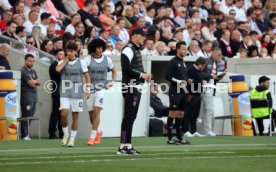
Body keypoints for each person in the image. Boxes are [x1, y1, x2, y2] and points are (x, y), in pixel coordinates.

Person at [117, 27, 152, 155]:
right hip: (131, 86)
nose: (144, 38)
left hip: (135, 86)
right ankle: (123, 146)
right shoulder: (128, 49)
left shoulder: (135, 49)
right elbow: (126, 69)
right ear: (135, 35)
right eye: (142, 36)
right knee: (129, 117)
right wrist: (142, 75)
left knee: (131, 117)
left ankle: (127, 145)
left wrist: (144, 75)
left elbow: (133, 68)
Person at [55, 42, 91, 147]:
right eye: (68, 51)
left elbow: (87, 77)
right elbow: (57, 69)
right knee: (63, 113)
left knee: (75, 116)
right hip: (65, 92)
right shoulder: (63, 61)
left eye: (71, 51)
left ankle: (72, 139)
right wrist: (65, 59)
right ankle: (66, 134)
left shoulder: (81, 62)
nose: (69, 53)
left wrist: (88, 89)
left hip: (77, 93)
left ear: (76, 51)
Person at [85, 38, 117, 145]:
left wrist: (112, 81)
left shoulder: (107, 60)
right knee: (91, 114)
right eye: (97, 47)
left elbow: (114, 70)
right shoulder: (88, 59)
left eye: (101, 47)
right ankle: (98, 132)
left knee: (97, 111)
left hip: (101, 88)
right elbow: (83, 73)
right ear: (93, 48)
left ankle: (92, 136)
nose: (99, 49)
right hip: (90, 88)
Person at [165, 41, 191, 145]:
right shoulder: (173, 61)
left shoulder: (183, 62)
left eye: (186, 49)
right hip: (175, 91)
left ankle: (180, 137)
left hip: (183, 91)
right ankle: (170, 138)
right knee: (173, 113)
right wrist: (178, 81)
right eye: (183, 49)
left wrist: (187, 80)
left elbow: (182, 77)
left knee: (181, 114)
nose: (185, 51)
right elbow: (167, 76)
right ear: (178, 49)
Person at [198, 47, 223, 137]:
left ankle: (203, 130)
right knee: (209, 110)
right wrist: (211, 76)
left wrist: (217, 78)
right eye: (218, 55)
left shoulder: (215, 63)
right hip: (206, 89)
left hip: (211, 88)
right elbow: (200, 73)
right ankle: (207, 130)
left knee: (206, 110)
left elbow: (211, 78)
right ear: (213, 53)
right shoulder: (206, 61)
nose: (220, 57)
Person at [183, 57, 207, 137]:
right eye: (203, 66)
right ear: (199, 64)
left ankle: (194, 131)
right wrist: (201, 82)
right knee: (188, 113)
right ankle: (186, 131)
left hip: (197, 95)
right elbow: (190, 82)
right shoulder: (191, 70)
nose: (203, 68)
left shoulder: (199, 71)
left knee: (195, 114)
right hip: (191, 94)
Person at [20, 54, 40, 140]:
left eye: (32, 61)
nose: (31, 63)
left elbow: (39, 82)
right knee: (26, 115)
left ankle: (26, 133)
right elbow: (31, 84)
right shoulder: (23, 71)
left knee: (31, 116)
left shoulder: (33, 71)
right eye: (29, 61)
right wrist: (35, 82)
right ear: (25, 61)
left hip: (34, 96)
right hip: (26, 97)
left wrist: (34, 81)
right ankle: (24, 134)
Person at [48, 49, 64, 139]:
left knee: (62, 113)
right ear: (56, 55)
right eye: (60, 54)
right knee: (55, 112)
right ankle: (52, 132)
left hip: (62, 91)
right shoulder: (54, 65)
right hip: (57, 92)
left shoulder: (60, 65)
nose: (62, 56)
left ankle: (61, 132)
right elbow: (61, 76)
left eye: (63, 54)